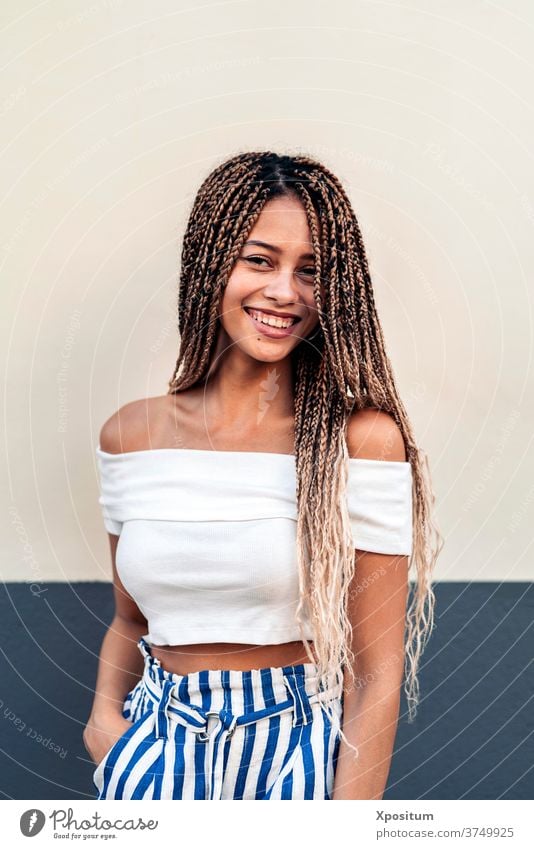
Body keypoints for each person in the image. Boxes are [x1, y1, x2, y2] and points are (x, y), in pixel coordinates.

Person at [83, 150, 443, 800]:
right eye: (259, 259)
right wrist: (104, 722)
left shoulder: (360, 442)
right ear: (210, 262)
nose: (285, 291)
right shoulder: (129, 436)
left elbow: (376, 675)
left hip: (291, 746)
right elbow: (131, 619)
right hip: (153, 746)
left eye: (311, 270)